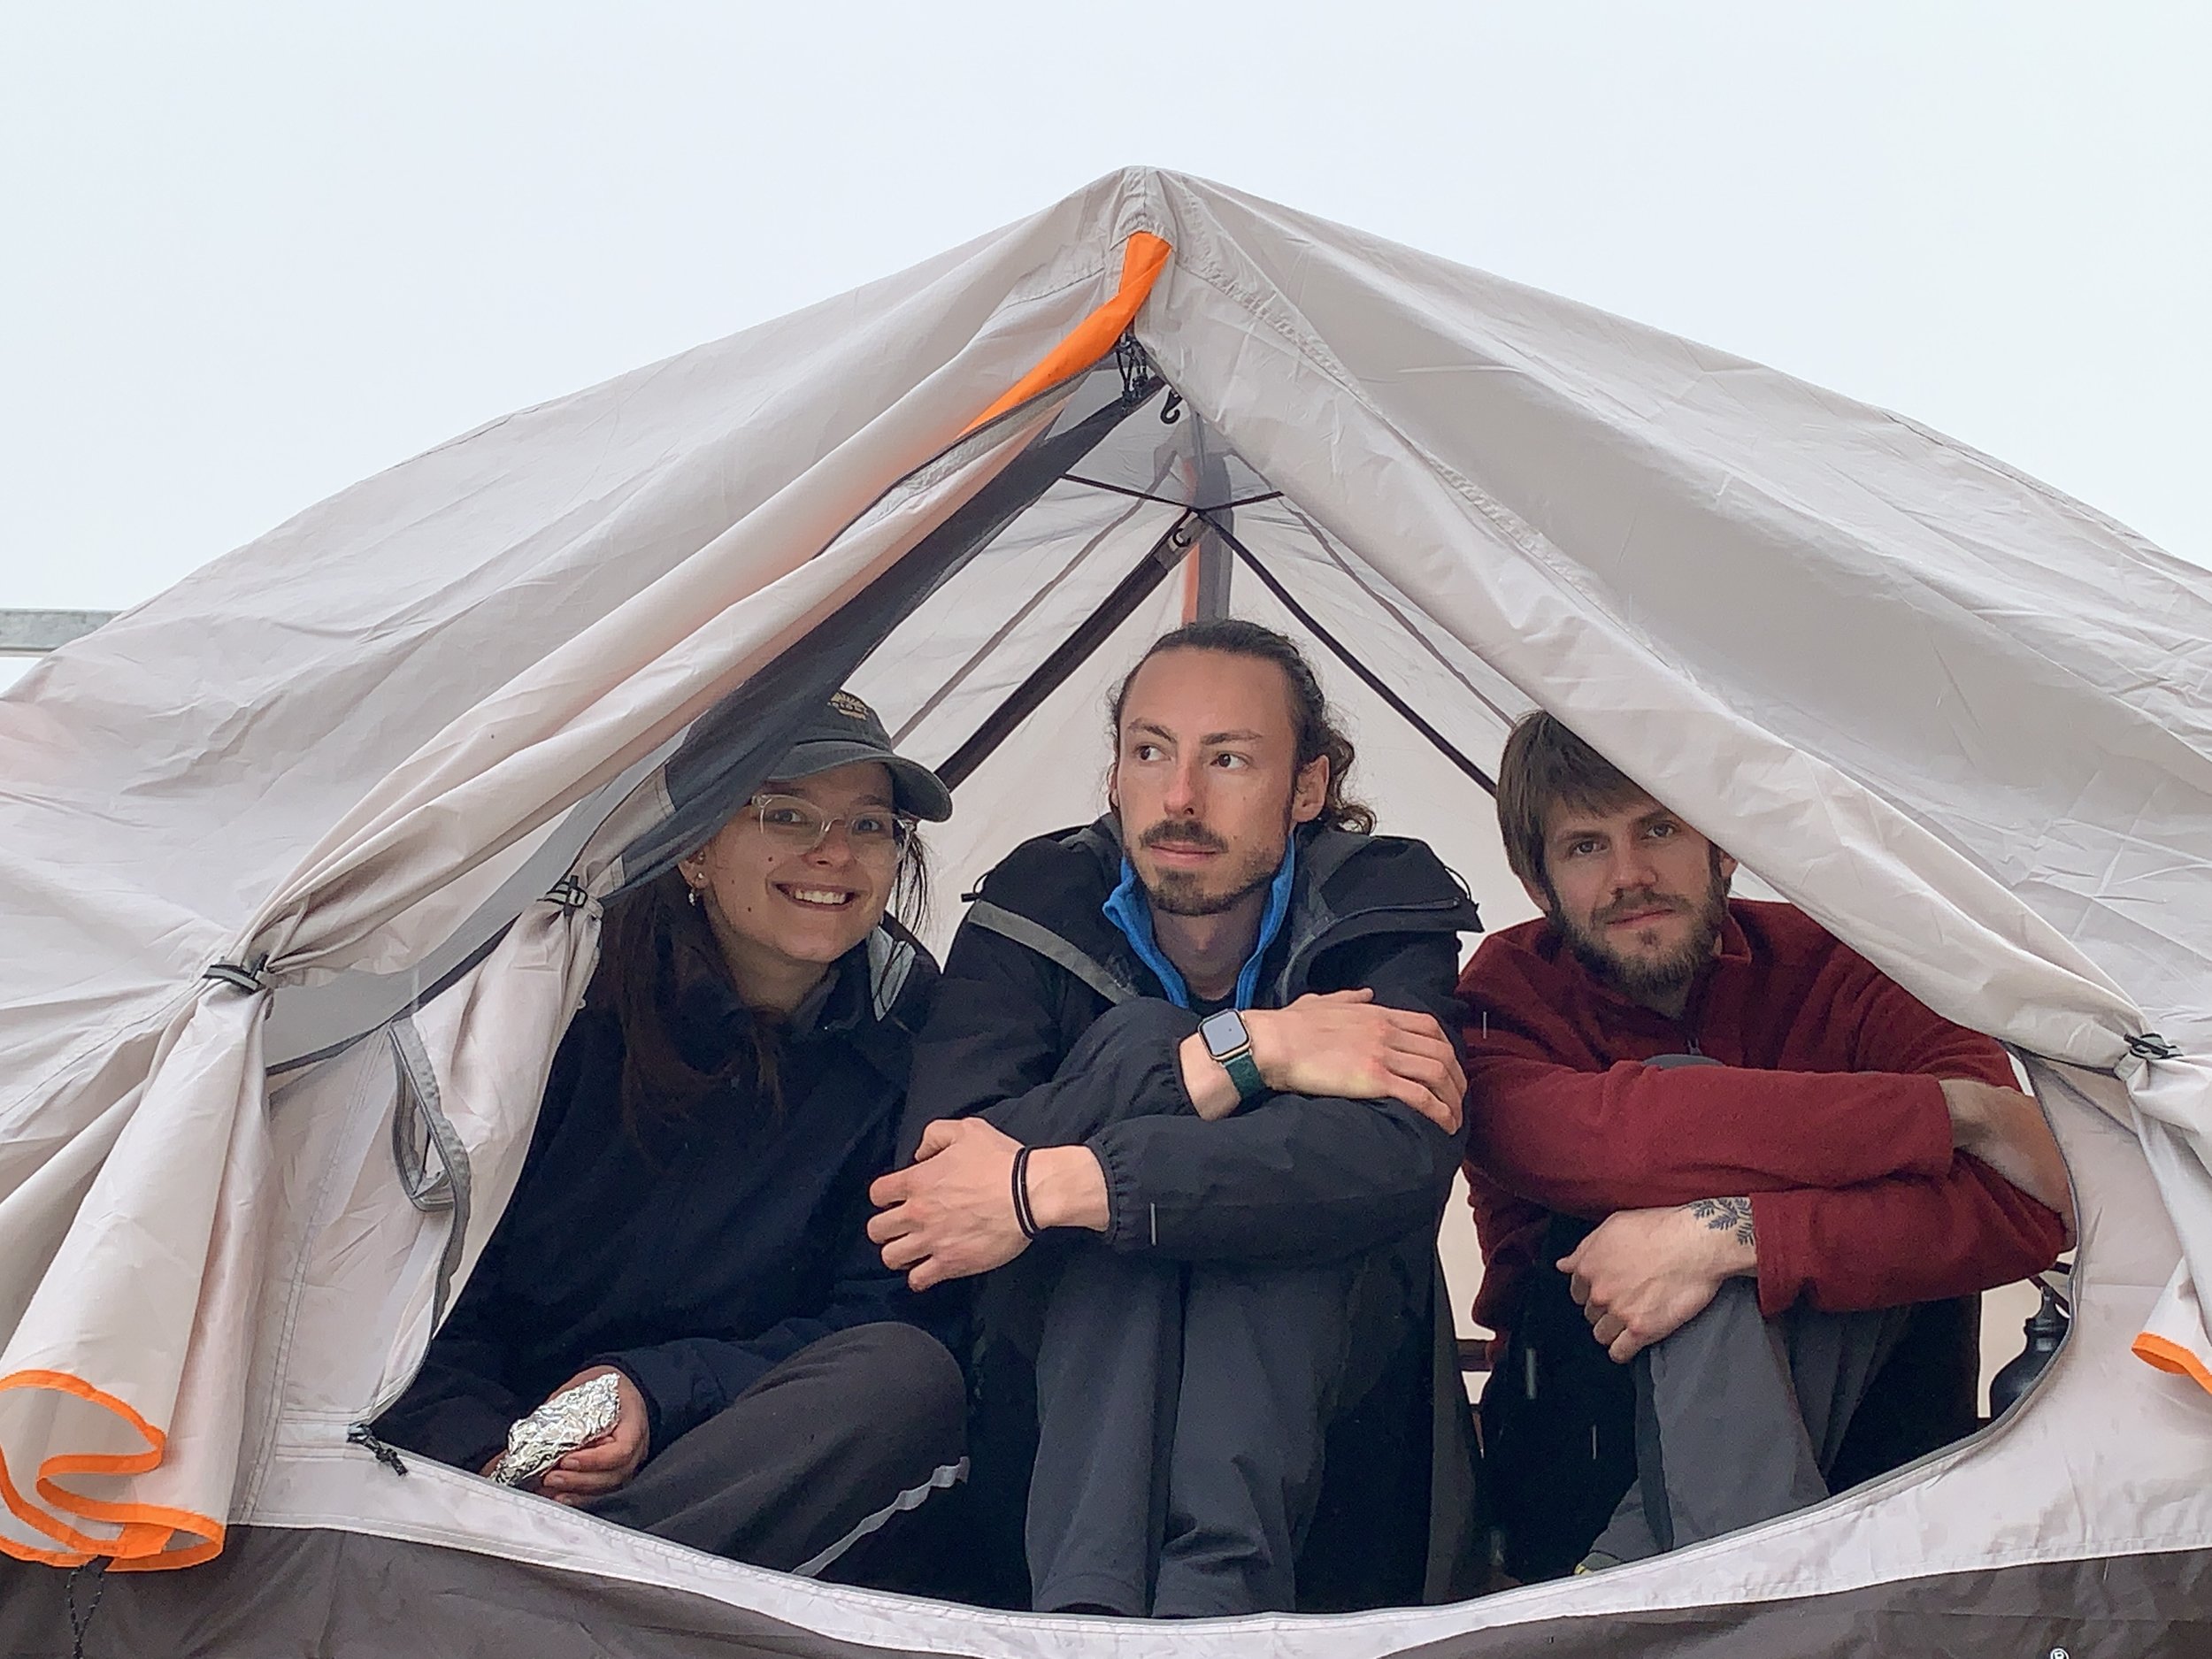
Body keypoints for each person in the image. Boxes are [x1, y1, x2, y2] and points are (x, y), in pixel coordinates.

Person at [867, 619, 1484, 1618]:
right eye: (1149, 752)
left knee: (1265, 1207)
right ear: (1113, 774)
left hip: (1340, 1393)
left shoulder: (1381, 902)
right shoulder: (1036, 902)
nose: (1180, 797)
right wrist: (1244, 1055)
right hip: (1053, 1385)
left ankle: (1153, 1615)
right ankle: (1122, 1619)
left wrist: (1071, 1185)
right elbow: (932, 1175)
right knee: (1145, 1046)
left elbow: (1397, 1154)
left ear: (1309, 789)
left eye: (1229, 759)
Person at [1459, 711, 2074, 1578]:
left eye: (1660, 829)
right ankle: (1759, 1587)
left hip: (1878, 1436)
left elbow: (2030, 1207)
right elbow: (1612, 1147)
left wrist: (1729, 1239)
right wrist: (1950, 1114)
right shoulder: (1503, 993)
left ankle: (1689, 1585)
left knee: (1839, 1241)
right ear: (1536, 880)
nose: (1630, 875)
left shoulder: (1846, 963)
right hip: (1585, 1439)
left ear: (1724, 843)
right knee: (1683, 1128)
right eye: (1586, 847)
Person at [375, 692, 967, 1586]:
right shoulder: (560, 1000)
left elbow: (876, 1310)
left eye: (870, 825)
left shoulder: (909, 1037)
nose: (834, 854)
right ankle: (560, 1588)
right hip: (498, 1455)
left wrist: (656, 1390)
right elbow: (422, 1286)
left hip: (721, 1456)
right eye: (784, 813)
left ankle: (556, 1603)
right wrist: (499, 1453)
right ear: (693, 843)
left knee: (908, 1376)